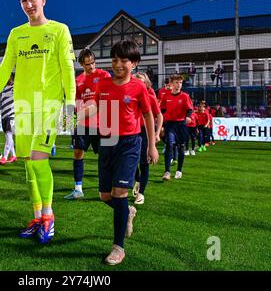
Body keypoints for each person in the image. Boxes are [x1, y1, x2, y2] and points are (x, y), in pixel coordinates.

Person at [0, 0, 76, 244]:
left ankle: (49, 217)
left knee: (38, 160)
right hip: (22, 106)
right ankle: (36, 216)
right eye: (24, 1)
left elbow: (68, 70)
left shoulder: (60, 30)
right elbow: (4, 69)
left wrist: (70, 104)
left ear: (43, 0)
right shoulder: (16, 34)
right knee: (28, 166)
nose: (29, 4)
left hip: (49, 105)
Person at [80, 40, 159, 265]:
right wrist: (78, 115)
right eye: (115, 59)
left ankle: (118, 248)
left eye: (124, 60)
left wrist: (151, 145)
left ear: (133, 63)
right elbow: (96, 106)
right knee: (105, 196)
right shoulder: (103, 84)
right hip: (107, 141)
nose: (118, 64)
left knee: (120, 193)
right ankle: (128, 212)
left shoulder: (138, 88)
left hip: (129, 144)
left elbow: (147, 116)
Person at [64, 48, 111, 200]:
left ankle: (106, 187)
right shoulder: (78, 81)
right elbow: (75, 103)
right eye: (87, 64)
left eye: (92, 63)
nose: (91, 66)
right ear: (81, 65)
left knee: (104, 157)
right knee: (78, 153)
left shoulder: (104, 75)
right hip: (83, 123)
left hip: (101, 123)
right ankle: (78, 189)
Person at [132, 73, 162, 205]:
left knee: (144, 163)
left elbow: (159, 115)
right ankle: (138, 180)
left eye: (141, 82)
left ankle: (141, 193)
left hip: (145, 133)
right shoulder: (128, 96)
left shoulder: (150, 97)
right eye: (136, 81)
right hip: (131, 132)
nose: (138, 84)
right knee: (131, 163)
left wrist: (156, 133)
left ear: (146, 84)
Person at [161, 74, 193, 181]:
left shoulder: (185, 96)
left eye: (180, 83)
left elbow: (189, 109)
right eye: (176, 82)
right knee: (169, 145)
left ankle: (179, 170)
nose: (178, 85)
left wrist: (188, 117)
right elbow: (162, 110)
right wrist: (159, 122)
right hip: (170, 124)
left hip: (181, 125)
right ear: (170, 84)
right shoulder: (166, 96)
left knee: (181, 147)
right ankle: (167, 171)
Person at [0, 75, 16, 164]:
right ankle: (13, 155)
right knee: (7, 136)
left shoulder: (15, 87)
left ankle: (5, 157)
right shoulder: (2, 89)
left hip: (12, 115)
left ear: (11, 78)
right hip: (3, 116)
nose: (6, 79)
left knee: (9, 134)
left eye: (8, 78)